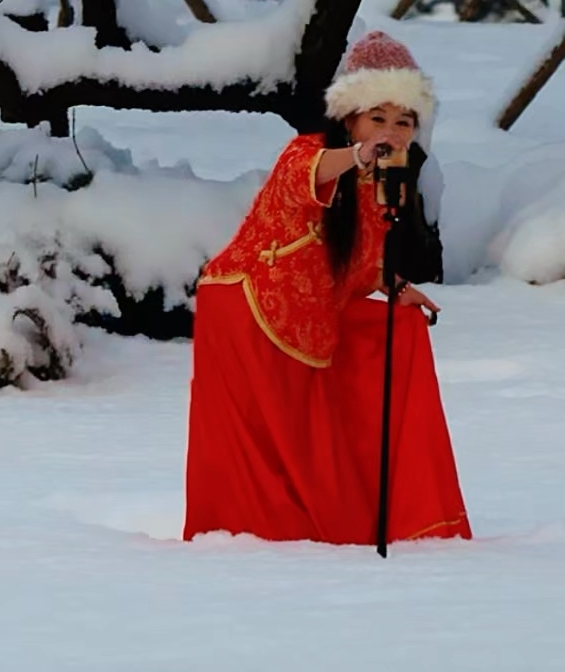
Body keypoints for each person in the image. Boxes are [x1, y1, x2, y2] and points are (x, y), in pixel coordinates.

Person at [183, 30, 471, 545]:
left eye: (403, 121)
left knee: (392, 335)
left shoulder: (381, 184)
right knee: (272, 442)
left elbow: (357, 263)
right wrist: (359, 156)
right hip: (249, 307)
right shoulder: (311, 151)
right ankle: (260, 535)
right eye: (377, 118)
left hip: (306, 315)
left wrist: (396, 286)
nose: (392, 131)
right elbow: (305, 177)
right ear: (349, 118)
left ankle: (358, 523)